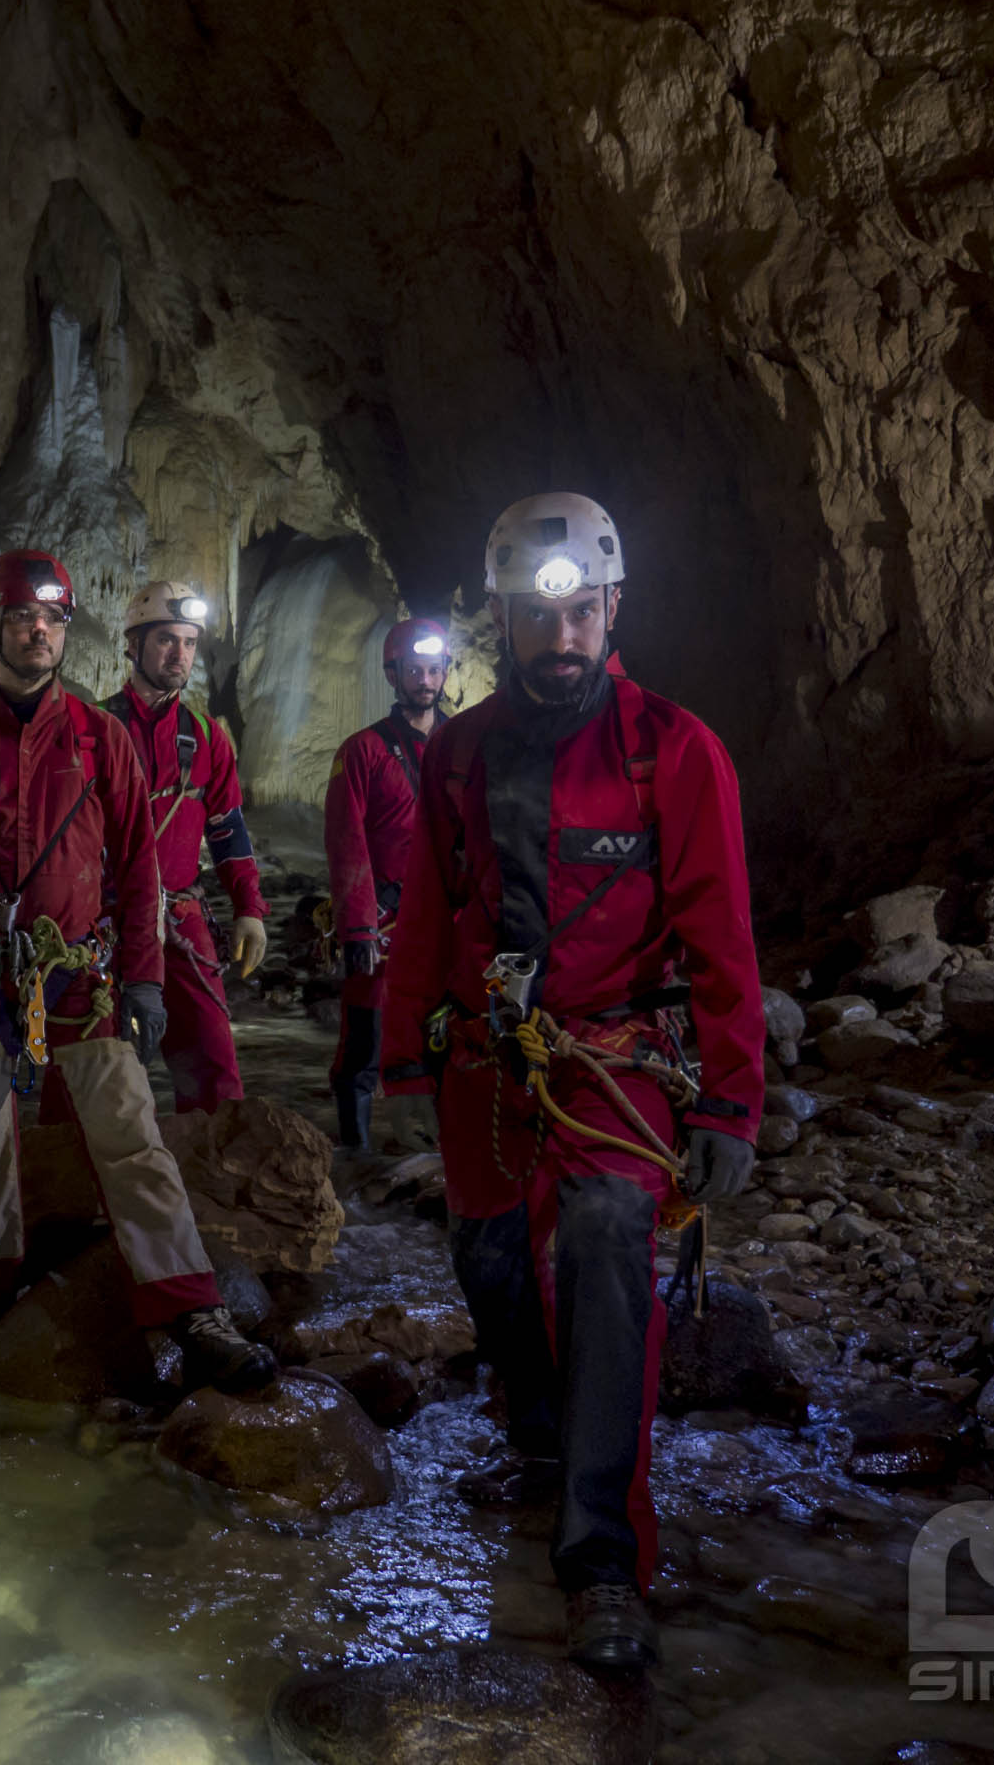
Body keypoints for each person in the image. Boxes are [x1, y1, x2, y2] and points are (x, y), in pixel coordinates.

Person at [378, 494, 763, 1671]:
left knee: (603, 1248)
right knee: (487, 1258)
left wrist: (729, 1101)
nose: (563, 642)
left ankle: (602, 1555)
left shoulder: (676, 752)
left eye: (582, 617)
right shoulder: (461, 747)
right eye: (539, 621)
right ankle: (542, 1437)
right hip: (491, 1056)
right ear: (502, 618)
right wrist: (403, 1047)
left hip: (613, 1061)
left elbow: (720, 936)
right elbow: (435, 904)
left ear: (612, 609)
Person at [0, 549, 276, 1392]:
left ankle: (189, 1303)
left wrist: (143, 976)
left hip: (81, 976)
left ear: (68, 631)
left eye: (55, 619)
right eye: (24, 617)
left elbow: (140, 865)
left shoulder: (101, 739)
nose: (40, 631)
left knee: (130, 1136)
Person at [77, 579, 268, 1110]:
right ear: (133, 645)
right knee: (90, 1068)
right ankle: (75, 1179)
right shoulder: (91, 730)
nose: (179, 653)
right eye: (165, 640)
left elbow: (228, 831)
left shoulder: (207, 738)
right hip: (106, 921)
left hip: (181, 916)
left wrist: (249, 909)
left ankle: (208, 1183)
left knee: (214, 1068)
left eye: (188, 642)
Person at [322, 616, 451, 1148]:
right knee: (365, 1042)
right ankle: (356, 1154)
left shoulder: (466, 745)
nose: (426, 680)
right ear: (393, 676)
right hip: (384, 921)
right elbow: (346, 844)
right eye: (414, 670)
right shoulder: (362, 753)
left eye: (434, 669)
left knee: (449, 1037)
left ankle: (439, 1157)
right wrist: (355, 930)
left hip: (450, 923)